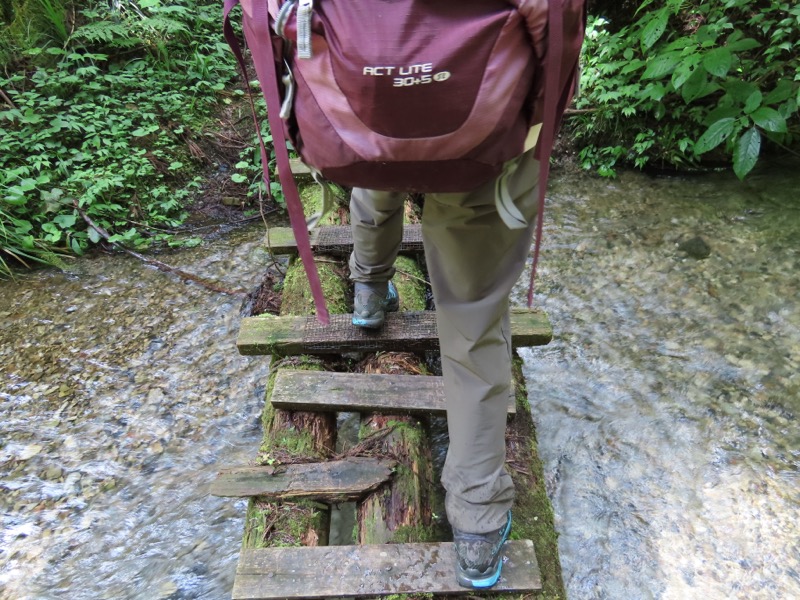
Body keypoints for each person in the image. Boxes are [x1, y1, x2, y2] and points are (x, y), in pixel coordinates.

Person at [345, 1, 585, 588]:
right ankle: (477, 526)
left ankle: (369, 292)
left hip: (371, 101)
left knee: (376, 171)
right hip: (483, 139)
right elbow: (555, 37)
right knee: (474, 322)